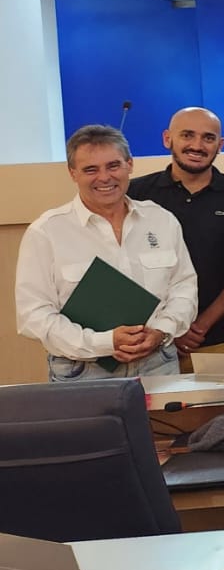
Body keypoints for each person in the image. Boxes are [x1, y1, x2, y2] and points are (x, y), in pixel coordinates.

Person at [16, 125, 196, 381]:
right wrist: (104, 342)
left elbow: (184, 286)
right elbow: (34, 315)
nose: (104, 177)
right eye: (91, 169)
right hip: (82, 371)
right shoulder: (46, 232)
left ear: (129, 165)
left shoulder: (162, 220)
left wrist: (161, 330)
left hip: (158, 362)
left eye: (113, 166)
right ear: (72, 173)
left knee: (160, 425)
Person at [128, 107, 224, 372]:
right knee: (152, 414)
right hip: (146, 340)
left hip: (217, 337)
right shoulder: (134, 194)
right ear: (167, 138)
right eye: (187, 135)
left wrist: (200, 326)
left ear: (221, 145)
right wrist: (168, 327)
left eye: (208, 138)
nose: (197, 145)